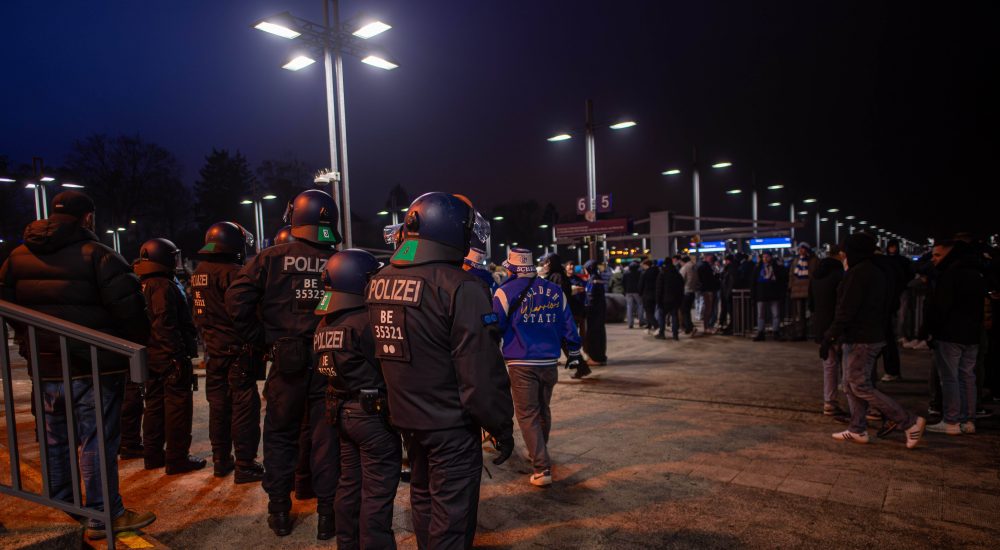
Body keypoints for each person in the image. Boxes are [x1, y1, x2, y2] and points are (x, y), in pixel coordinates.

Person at [0, 190, 155, 539]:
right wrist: (135, 345)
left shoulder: (16, 257)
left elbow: (8, 304)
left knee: (56, 438)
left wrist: (33, 339)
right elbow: (130, 311)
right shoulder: (98, 256)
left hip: (46, 366)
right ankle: (104, 514)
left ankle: (68, 508)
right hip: (94, 365)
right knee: (96, 439)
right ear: (87, 218)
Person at [366, 192, 514, 548]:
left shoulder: (379, 280)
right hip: (450, 426)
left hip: (407, 420)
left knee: (423, 497)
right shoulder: (460, 286)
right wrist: (501, 426)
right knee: (452, 517)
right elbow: (479, 373)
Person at [226, 189, 341, 538]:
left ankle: (279, 512)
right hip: (330, 360)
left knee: (280, 436)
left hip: (286, 360)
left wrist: (262, 338)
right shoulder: (339, 261)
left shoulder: (272, 257)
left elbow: (236, 301)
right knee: (327, 438)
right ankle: (327, 517)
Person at [313, 249, 401, 549]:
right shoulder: (365, 321)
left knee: (349, 486)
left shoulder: (325, 323)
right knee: (376, 493)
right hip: (372, 418)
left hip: (340, 412)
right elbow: (389, 367)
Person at [820, 233, 926, 447]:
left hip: (863, 337)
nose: (842, 255)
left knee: (859, 385)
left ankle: (909, 421)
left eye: (845, 251)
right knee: (850, 385)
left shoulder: (859, 273)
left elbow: (846, 309)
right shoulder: (873, 271)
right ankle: (857, 428)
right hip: (865, 334)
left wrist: (830, 335)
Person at [494, 248, 584, 486]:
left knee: (527, 415)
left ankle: (541, 467)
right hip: (549, 361)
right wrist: (574, 352)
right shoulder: (555, 291)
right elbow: (569, 324)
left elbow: (494, 327)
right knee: (543, 410)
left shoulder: (504, 292)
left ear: (512, 268)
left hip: (520, 361)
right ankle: (539, 452)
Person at [191, 222, 265, 483]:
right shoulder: (235, 273)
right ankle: (245, 464)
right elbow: (245, 312)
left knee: (219, 407)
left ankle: (221, 460)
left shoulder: (199, 272)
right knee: (244, 407)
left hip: (213, 350)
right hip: (236, 351)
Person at [134, 238, 205, 475]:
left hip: (151, 355)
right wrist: (176, 355)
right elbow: (165, 322)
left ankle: (153, 454)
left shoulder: (143, 283)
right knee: (177, 408)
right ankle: (177, 458)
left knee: (153, 405)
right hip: (168, 355)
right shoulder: (162, 285)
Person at [923, 240, 986, 435]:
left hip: (950, 332)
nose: (934, 259)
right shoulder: (977, 274)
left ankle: (951, 420)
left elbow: (941, 307)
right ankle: (968, 420)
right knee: (967, 377)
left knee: (950, 378)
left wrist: (931, 330)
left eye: (938, 255)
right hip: (972, 333)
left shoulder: (949, 275)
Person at [810, 244, 846, 416]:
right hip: (838, 326)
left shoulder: (816, 276)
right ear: (839, 256)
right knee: (847, 365)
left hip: (821, 325)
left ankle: (829, 402)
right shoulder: (841, 276)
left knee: (829, 365)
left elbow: (811, 304)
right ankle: (857, 406)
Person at [751, 251, 785, 341]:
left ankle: (776, 332)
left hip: (774, 294)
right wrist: (753, 295)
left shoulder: (776, 267)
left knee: (776, 314)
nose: (765, 259)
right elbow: (753, 282)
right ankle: (761, 332)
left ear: (771, 257)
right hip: (761, 294)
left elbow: (781, 280)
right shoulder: (758, 268)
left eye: (767, 257)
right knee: (761, 315)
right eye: (764, 257)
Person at [789, 243, 819, 341]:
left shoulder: (813, 260)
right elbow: (791, 275)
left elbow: (816, 273)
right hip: (797, 290)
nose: (800, 251)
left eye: (802, 249)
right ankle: (801, 334)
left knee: (813, 313)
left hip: (810, 289)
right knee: (800, 315)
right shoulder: (796, 260)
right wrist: (791, 287)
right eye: (799, 249)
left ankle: (815, 333)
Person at [583, 259, 608, 365]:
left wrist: (586, 306)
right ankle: (600, 356)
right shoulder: (598, 277)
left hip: (594, 311)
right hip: (600, 309)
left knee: (594, 333)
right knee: (600, 333)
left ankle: (596, 357)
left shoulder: (593, 279)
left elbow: (591, 296)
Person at [655, 258, 685, 340]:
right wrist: (680, 299)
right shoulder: (677, 274)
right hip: (675, 300)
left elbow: (659, 288)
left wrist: (658, 300)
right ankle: (675, 335)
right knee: (675, 317)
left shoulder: (662, 274)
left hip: (664, 300)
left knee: (662, 317)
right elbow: (681, 287)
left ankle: (662, 333)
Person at [697, 254, 721, 333]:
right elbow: (709, 280)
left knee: (708, 309)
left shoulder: (702, 266)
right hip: (708, 290)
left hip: (706, 289)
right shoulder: (706, 267)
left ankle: (707, 326)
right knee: (708, 309)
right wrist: (716, 278)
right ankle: (707, 327)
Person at [679, 256, 698, 335]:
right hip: (692, 292)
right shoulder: (694, 267)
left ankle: (690, 328)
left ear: (683, 261)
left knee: (684, 311)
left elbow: (680, 280)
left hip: (685, 292)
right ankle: (689, 328)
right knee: (687, 311)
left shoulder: (685, 268)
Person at [638, 259, 659, 334]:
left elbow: (641, 285)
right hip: (655, 295)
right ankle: (648, 327)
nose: (642, 267)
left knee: (648, 313)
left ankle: (657, 326)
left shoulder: (645, 273)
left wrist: (640, 293)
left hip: (646, 294)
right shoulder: (657, 271)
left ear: (646, 265)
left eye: (643, 265)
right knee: (652, 311)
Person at [623, 261, 642, 329]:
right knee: (640, 305)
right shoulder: (639, 273)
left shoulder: (626, 273)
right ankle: (641, 321)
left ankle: (630, 323)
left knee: (629, 307)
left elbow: (623, 283)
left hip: (628, 291)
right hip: (637, 291)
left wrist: (625, 290)